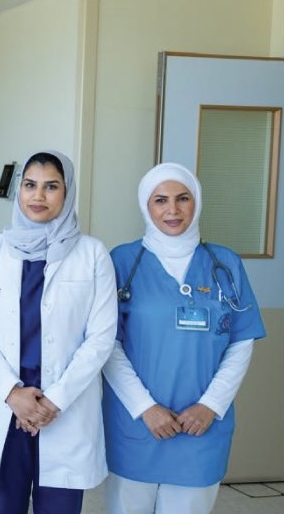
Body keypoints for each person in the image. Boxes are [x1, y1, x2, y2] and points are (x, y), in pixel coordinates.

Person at [0, 151, 116, 514]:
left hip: (63, 407)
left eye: (51, 186)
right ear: (19, 190)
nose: (38, 196)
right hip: (3, 403)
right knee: (0, 507)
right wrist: (12, 393)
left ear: (67, 192)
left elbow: (101, 338)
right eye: (30, 185)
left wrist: (54, 400)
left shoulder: (92, 255)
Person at [102, 163, 266, 514]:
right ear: (146, 205)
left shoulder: (225, 263)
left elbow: (240, 341)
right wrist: (145, 407)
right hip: (137, 422)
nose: (173, 210)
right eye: (160, 200)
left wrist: (211, 405)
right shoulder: (122, 261)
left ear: (197, 202)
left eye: (183, 198)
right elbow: (107, 345)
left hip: (201, 424)